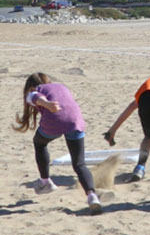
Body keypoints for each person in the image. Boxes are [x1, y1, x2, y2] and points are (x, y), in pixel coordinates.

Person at [14, 73, 101, 214]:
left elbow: (35, 97)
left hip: (54, 121)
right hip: (76, 120)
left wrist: (47, 104)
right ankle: (92, 196)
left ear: (31, 86)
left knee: (39, 143)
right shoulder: (61, 86)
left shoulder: (36, 91)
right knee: (79, 164)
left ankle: (46, 181)